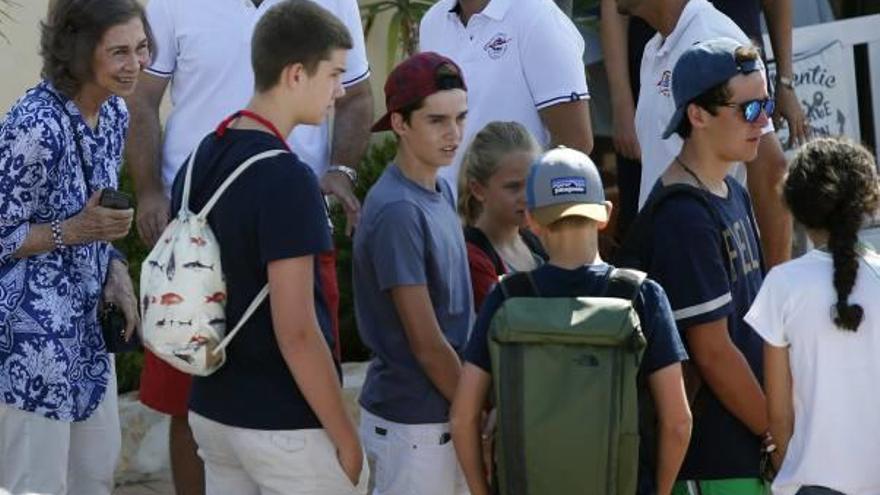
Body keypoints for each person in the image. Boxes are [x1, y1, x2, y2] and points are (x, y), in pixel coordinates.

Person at [126, 0, 371, 490]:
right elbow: (297, 333)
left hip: (214, 416)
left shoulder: (201, 156)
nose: (340, 91)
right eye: (333, 75)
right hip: (281, 424)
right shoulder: (290, 180)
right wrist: (347, 437)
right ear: (296, 75)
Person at [451, 146, 691, 495]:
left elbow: (462, 418)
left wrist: (480, 490)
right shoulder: (642, 296)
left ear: (531, 218)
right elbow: (678, 422)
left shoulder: (505, 298)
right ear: (606, 213)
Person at [0, 0, 149, 493]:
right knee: (35, 486)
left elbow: (97, 224)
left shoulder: (113, 115)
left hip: (87, 333)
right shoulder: (32, 126)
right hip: (30, 343)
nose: (136, 64)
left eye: (142, 48)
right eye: (120, 52)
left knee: (95, 477)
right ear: (81, 53)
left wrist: (117, 270)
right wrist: (74, 231)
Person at [632, 38, 771, 494]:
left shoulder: (733, 190)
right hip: (711, 462)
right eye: (749, 110)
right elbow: (712, 352)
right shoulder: (683, 217)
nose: (764, 120)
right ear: (698, 115)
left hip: (743, 448)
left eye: (766, 104)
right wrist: (778, 434)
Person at [353, 52, 472, 495]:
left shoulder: (439, 187)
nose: (454, 133)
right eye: (437, 120)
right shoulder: (399, 210)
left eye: (461, 117)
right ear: (400, 124)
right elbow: (426, 343)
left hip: (442, 417)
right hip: (414, 428)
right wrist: (475, 408)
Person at [599, 0, 807, 243]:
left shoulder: (712, 39)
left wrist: (773, 279)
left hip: (705, 261)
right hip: (675, 257)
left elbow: (771, 168)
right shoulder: (656, 47)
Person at [745, 137, 880, 495]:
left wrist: (789, 466)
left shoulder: (782, 285)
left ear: (793, 204)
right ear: (868, 200)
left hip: (812, 483)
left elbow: (778, 413)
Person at [419, 0, 594, 201]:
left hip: (516, 221)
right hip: (446, 218)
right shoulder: (432, 21)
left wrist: (528, 214)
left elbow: (575, 142)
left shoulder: (539, 16)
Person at [457, 121, 546, 309]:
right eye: (513, 187)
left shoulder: (534, 242)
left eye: (532, 182)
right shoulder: (472, 258)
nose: (527, 197)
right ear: (478, 190)